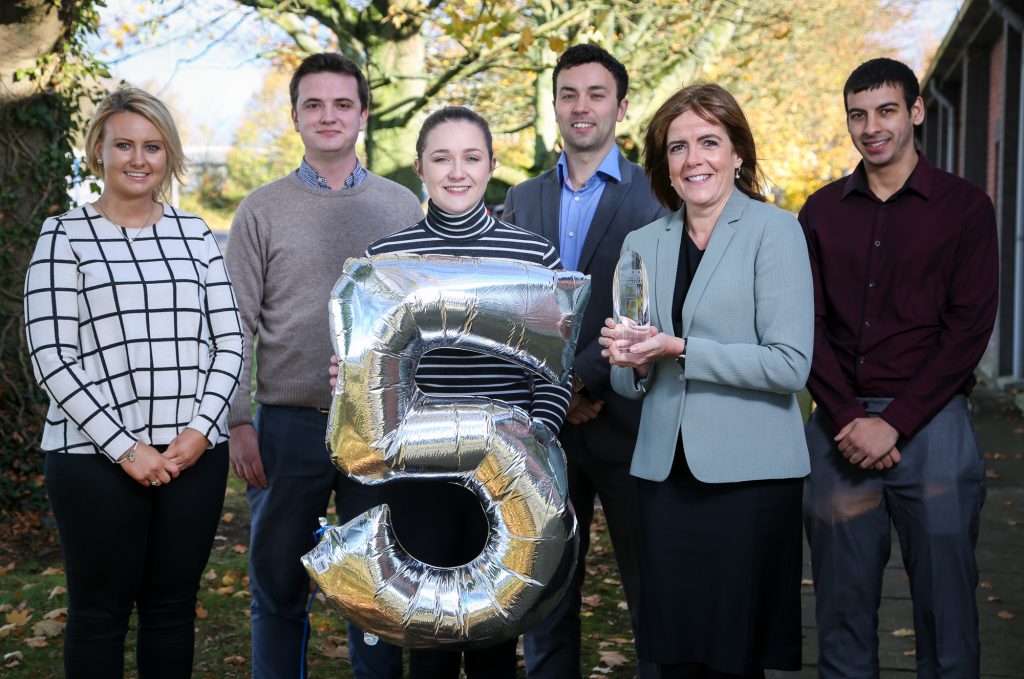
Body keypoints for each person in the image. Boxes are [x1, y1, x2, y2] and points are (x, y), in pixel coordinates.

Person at [23, 85, 243, 678]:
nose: (138, 159)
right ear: (99, 150)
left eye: (152, 146)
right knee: (99, 615)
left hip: (192, 456)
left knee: (172, 611)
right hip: (92, 459)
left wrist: (200, 432)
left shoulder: (196, 235)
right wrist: (125, 448)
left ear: (168, 154)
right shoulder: (63, 236)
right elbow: (51, 358)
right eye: (124, 145)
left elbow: (229, 341)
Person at [598, 83, 813, 679]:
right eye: (677, 147)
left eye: (709, 142)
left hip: (750, 485)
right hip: (664, 483)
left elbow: (790, 365)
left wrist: (680, 348)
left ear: (737, 153)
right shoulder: (643, 242)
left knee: (735, 659)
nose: (694, 160)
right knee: (673, 660)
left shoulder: (776, 231)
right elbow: (629, 385)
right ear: (663, 164)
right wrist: (634, 363)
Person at [354, 105, 572, 678]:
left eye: (471, 157)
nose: (457, 171)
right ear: (420, 169)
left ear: (491, 165)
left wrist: (532, 445)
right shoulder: (386, 261)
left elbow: (554, 374)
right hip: (419, 474)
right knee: (428, 635)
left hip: (507, 477)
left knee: (493, 639)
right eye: (441, 158)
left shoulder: (535, 257)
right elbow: (368, 372)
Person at [224, 53, 423, 678]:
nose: (328, 116)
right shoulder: (260, 210)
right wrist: (237, 421)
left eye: (342, 104)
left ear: (362, 115)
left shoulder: (402, 208)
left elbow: (422, 320)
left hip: (380, 424)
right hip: (287, 424)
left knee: (378, 590)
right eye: (314, 104)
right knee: (278, 588)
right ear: (295, 117)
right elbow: (233, 323)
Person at [800, 58, 998, 679]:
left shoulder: (966, 208)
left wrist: (898, 422)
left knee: (948, 616)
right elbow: (804, 327)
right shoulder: (820, 212)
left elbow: (968, 328)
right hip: (839, 426)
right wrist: (849, 416)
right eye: (858, 115)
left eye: (886, 110)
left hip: (935, 426)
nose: (871, 127)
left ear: (914, 111)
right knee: (841, 613)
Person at [502, 43, 667, 679]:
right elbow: (514, 301)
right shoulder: (523, 198)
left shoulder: (654, 198)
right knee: (547, 591)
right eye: (568, 94)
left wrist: (588, 381)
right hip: (542, 428)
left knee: (647, 586)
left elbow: (658, 303)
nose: (581, 106)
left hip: (626, 418)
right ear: (554, 106)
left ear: (621, 107)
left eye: (596, 94)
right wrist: (556, 388)